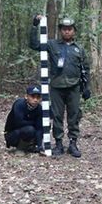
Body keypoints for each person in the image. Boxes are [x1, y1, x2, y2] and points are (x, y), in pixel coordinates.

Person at [29, 15, 90, 158]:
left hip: (74, 87)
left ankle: (73, 144)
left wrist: (87, 87)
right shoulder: (52, 45)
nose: (67, 32)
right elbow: (34, 45)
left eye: (69, 29)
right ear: (60, 31)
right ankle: (58, 144)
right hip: (56, 87)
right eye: (64, 29)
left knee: (74, 116)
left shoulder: (79, 49)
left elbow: (85, 69)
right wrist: (34, 26)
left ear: (74, 31)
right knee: (57, 116)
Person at [4, 85, 44, 153]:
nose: (35, 100)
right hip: (12, 134)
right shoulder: (19, 104)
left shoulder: (39, 109)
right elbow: (19, 122)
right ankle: (20, 148)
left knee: (45, 124)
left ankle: (34, 146)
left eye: (38, 97)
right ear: (26, 96)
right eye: (33, 97)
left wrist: (39, 145)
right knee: (30, 129)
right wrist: (35, 123)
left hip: (29, 131)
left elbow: (39, 128)